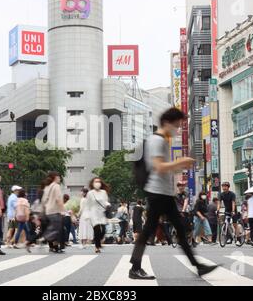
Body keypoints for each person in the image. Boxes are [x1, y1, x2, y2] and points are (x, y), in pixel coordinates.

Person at [129, 108, 218, 280]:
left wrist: (179, 166)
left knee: (178, 228)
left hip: (163, 193)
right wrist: (181, 162)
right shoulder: (157, 140)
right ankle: (135, 267)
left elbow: (163, 168)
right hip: (157, 193)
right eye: (177, 126)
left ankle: (197, 265)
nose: (178, 130)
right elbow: (159, 166)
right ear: (168, 123)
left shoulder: (162, 140)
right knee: (151, 230)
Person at [41, 172, 66, 253]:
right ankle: (54, 245)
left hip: (48, 211)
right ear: (55, 177)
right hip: (55, 211)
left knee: (52, 228)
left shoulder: (47, 187)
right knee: (58, 230)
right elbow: (58, 199)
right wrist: (62, 210)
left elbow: (43, 200)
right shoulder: (56, 186)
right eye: (59, 177)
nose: (60, 178)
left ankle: (51, 246)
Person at [87, 177, 111, 254]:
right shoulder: (90, 193)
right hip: (93, 213)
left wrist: (108, 205)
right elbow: (88, 205)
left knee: (103, 230)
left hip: (101, 213)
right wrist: (87, 215)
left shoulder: (104, 192)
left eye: (99, 182)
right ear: (92, 183)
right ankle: (97, 247)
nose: (97, 183)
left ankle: (99, 241)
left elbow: (105, 201)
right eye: (96, 182)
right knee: (97, 230)